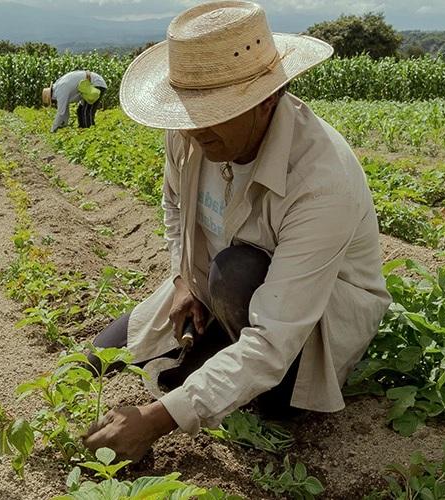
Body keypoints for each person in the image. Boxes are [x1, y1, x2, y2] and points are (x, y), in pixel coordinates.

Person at [81, 0, 391, 462]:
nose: (192, 128)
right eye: (188, 112)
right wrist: (183, 278)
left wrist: (156, 420)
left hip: (304, 325)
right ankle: (212, 349)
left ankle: (263, 393)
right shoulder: (188, 133)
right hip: (214, 290)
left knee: (236, 272)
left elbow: (271, 342)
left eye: (213, 111)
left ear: (266, 99)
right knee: (95, 359)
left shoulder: (322, 180)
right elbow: (172, 203)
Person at [44, 70, 108, 132]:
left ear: (52, 98)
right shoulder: (58, 87)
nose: (55, 104)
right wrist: (64, 125)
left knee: (87, 111)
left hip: (96, 84)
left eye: (52, 102)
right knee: (80, 110)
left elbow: (61, 112)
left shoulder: (60, 92)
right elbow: (66, 112)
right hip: (88, 88)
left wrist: (53, 129)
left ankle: (90, 133)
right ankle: (82, 131)